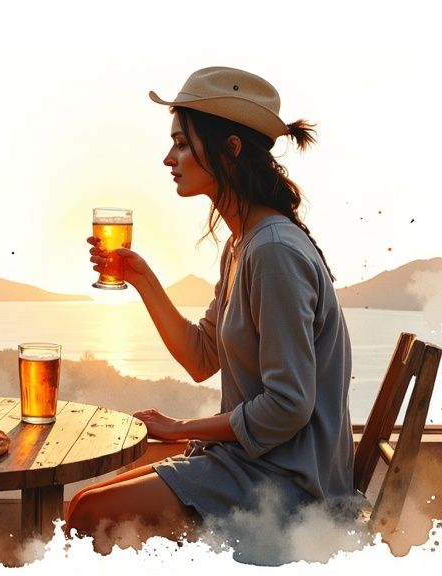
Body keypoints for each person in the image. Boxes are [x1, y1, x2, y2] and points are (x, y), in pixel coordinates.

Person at [66, 67, 356, 555]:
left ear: (231, 149)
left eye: (181, 143)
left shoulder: (273, 252)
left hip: (288, 483)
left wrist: (179, 429)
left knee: (89, 514)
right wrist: (142, 279)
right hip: (254, 463)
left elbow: (289, 406)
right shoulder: (243, 244)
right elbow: (201, 358)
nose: (168, 158)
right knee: (84, 503)